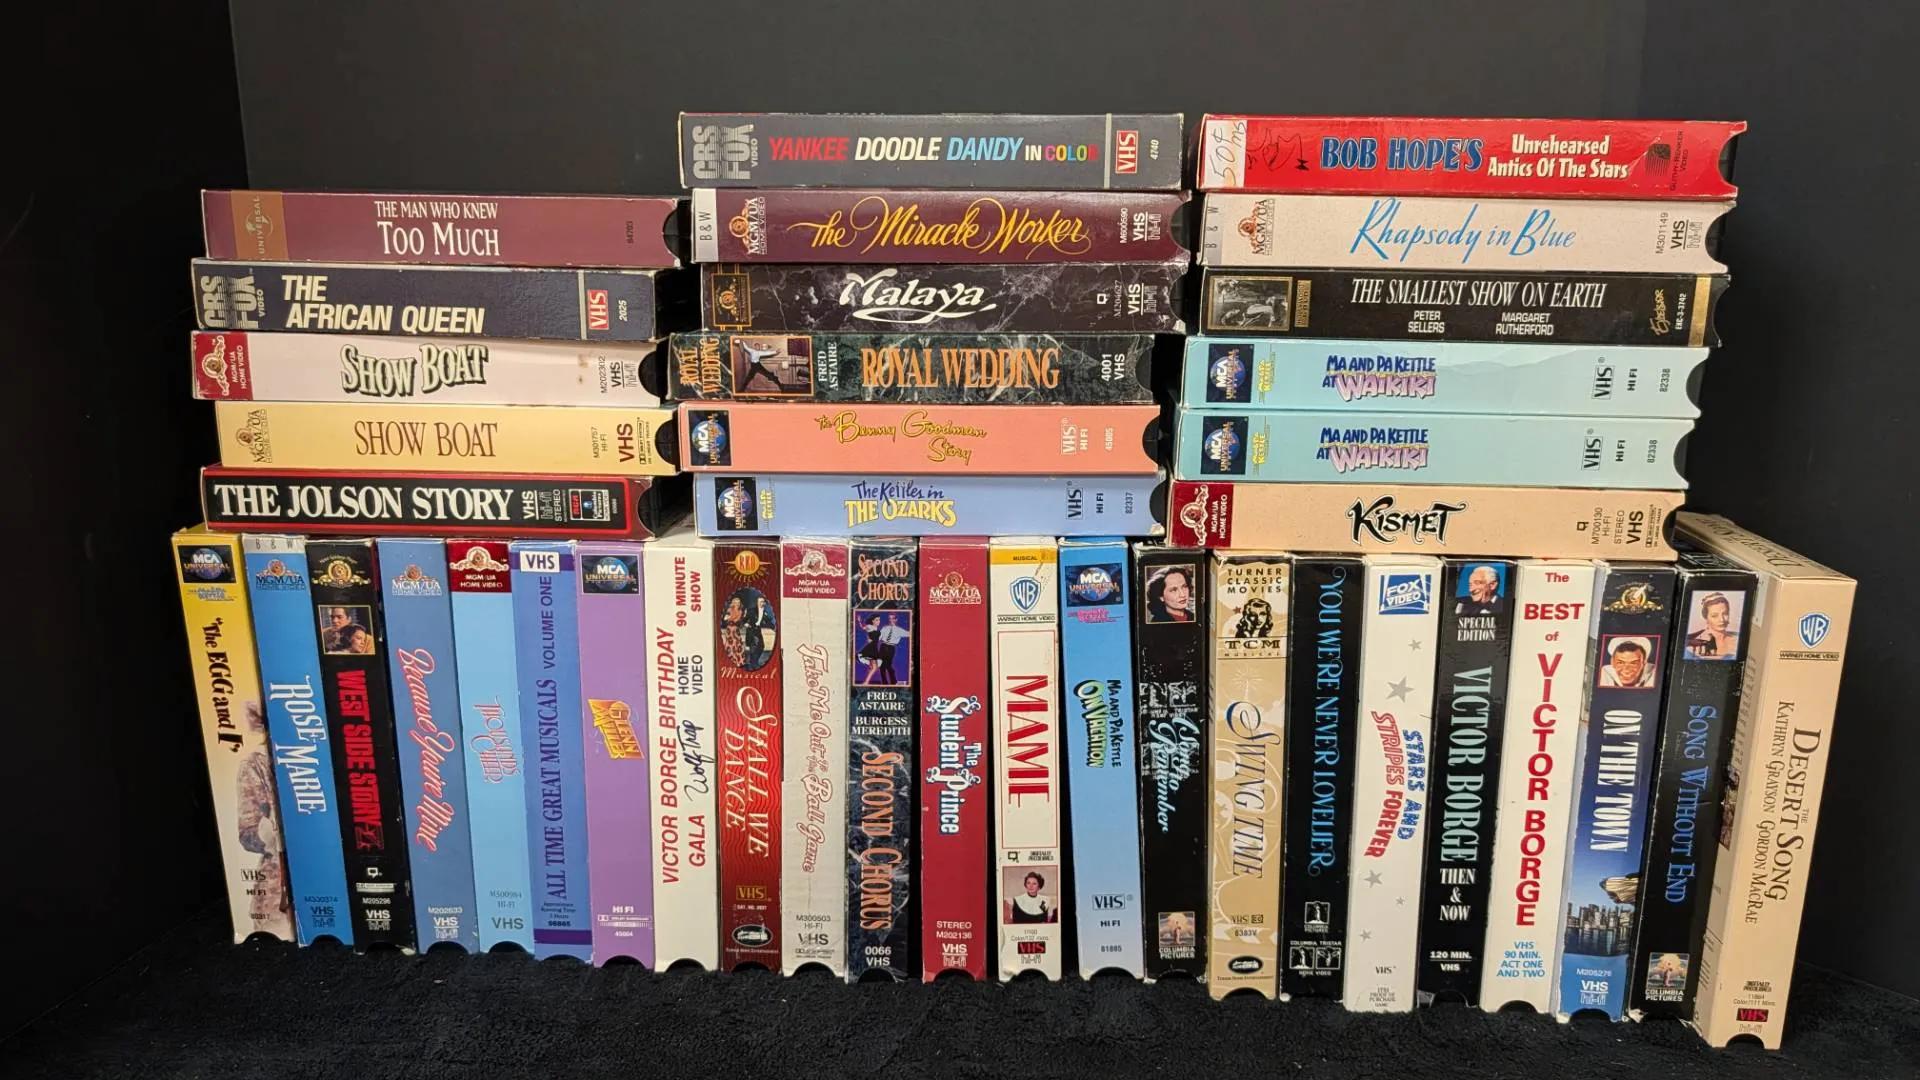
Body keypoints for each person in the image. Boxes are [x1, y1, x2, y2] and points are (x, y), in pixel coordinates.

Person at [1685, 591, 1741, 660]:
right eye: (1714, 615)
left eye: (1725, 614)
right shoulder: (1692, 644)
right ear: (1706, 618)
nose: (1722, 619)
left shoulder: (1738, 639)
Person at [876, 613, 910, 685]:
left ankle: (893, 682)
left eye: (892, 618)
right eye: (889, 618)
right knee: (881, 666)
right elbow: (879, 637)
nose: (890, 620)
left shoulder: (899, 630)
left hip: (891, 648)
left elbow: (909, 633)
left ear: (896, 620)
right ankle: (884, 683)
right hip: (883, 646)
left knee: (888, 665)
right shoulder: (885, 628)